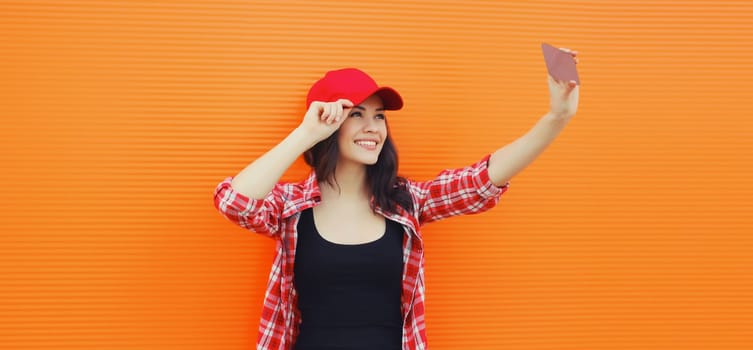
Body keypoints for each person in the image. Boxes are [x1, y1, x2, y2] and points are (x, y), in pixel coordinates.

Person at [213, 48, 580, 350]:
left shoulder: (406, 203)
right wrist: (306, 133)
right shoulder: (291, 207)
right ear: (329, 124)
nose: (373, 127)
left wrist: (556, 117)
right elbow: (233, 201)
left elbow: (481, 180)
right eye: (355, 114)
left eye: (379, 116)